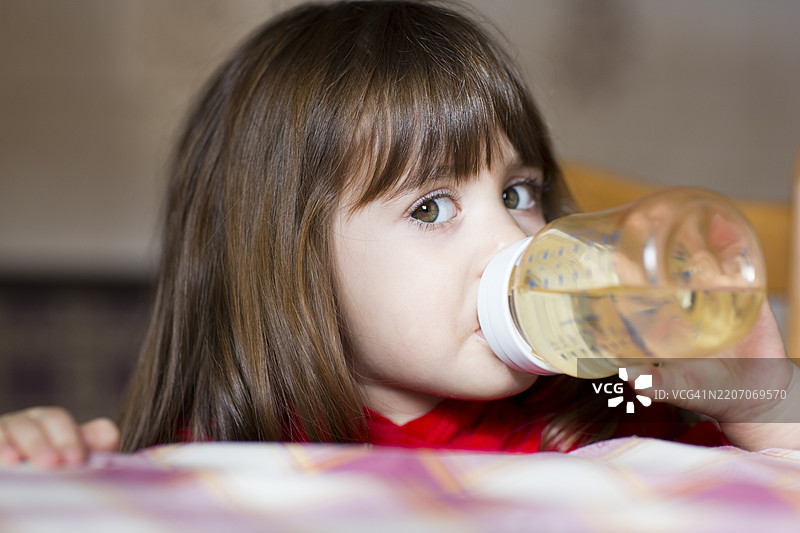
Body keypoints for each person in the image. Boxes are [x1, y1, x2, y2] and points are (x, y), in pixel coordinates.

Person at [1, 0, 797, 469]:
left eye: (518, 191)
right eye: (430, 208)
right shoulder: (228, 460)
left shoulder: (604, 413)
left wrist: (757, 398)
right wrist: (38, 462)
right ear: (293, 266)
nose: (509, 239)